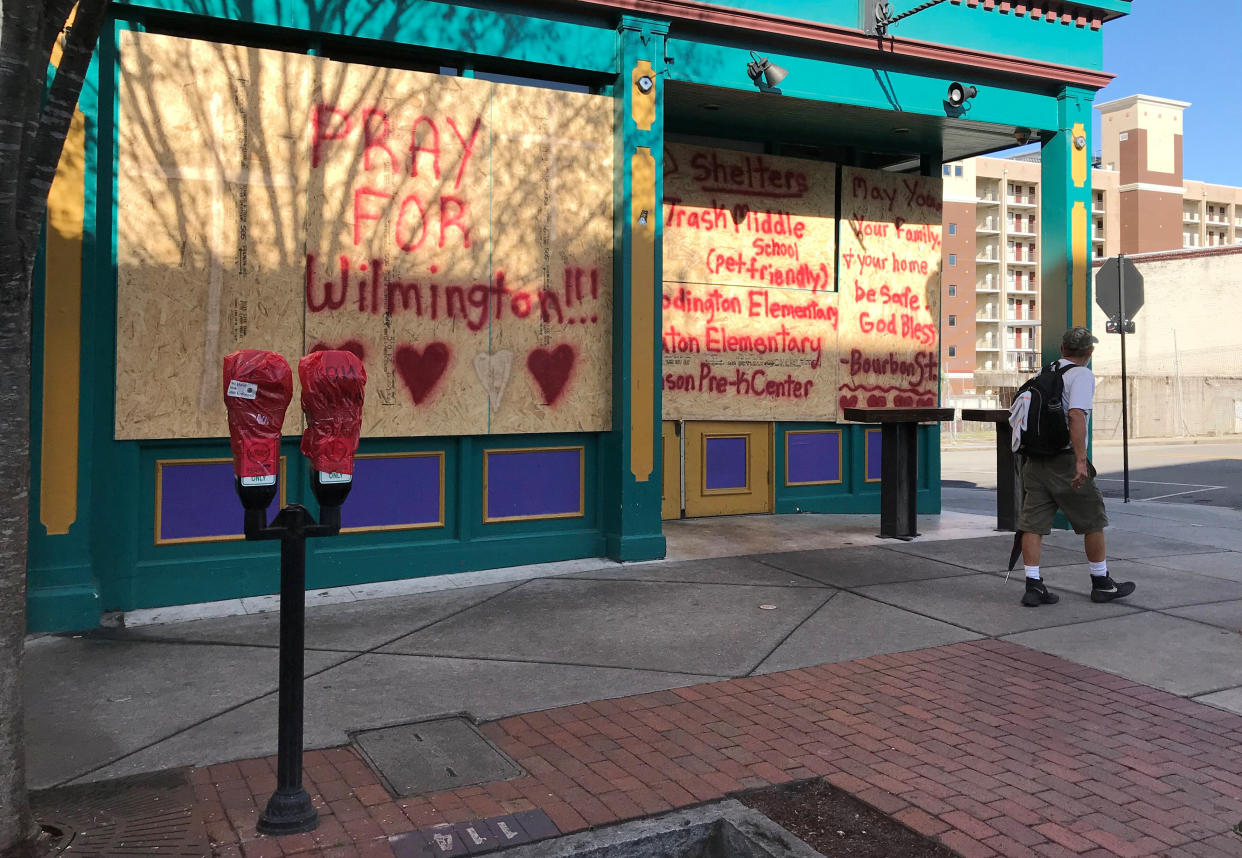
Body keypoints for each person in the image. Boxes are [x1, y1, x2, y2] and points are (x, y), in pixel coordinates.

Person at [1018, 326, 1135, 607]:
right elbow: (1076, 415)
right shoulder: (1081, 375)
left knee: (1033, 525)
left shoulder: (1045, 372)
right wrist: (1080, 461)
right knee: (1092, 520)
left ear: (1062, 349)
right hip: (1064, 461)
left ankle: (1033, 586)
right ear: (1089, 352)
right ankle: (1101, 583)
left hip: (1035, 461)